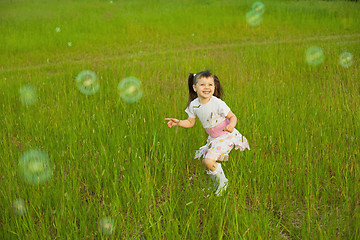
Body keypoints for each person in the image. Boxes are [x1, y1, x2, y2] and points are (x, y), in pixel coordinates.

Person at [165, 70, 250, 196]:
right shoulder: (194, 105)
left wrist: (231, 125)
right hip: (214, 138)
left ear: (214, 87)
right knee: (205, 162)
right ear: (195, 87)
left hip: (225, 135)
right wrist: (178, 122)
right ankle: (218, 183)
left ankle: (223, 184)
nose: (207, 87)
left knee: (209, 161)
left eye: (210, 85)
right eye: (203, 84)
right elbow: (190, 122)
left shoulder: (217, 103)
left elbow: (232, 117)